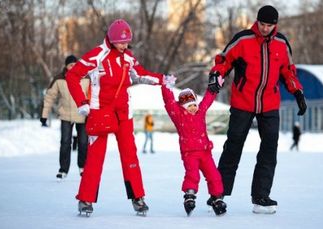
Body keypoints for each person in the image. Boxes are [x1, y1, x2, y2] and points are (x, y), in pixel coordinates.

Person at [207, 5, 307, 214]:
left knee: (269, 149)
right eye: (262, 24)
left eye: (269, 25)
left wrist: (297, 92)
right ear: (257, 21)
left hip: (269, 103)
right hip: (243, 102)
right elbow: (223, 61)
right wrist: (216, 76)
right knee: (233, 146)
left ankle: (261, 197)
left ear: (275, 25)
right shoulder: (242, 40)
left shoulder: (281, 43)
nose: (265, 28)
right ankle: (218, 193)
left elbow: (288, 71)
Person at [66, 19, 170, 216]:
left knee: (130, 156)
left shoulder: (128, 57)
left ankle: (138, 198)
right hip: (100, 113)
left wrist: (162, 79)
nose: (124, 46)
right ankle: (85, 199)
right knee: (95, 158)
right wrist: (82, 102)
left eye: (127, 42)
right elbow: (72, 76)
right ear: (112, 40)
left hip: (123, 114)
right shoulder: (97, 55)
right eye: (121, 42)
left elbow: (140, 75)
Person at [161, 77, 227, 216]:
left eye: (194, 105)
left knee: (214, 175)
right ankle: (189, 195)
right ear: (183, 106)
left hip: (205, 152)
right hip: (189, 153)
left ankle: (217, 198)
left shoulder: (200, 112)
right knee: (193, 175)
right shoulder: (178, 116)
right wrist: (167, 87)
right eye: (189, 105)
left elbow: (207, 101)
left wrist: (213, 89)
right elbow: (169, 103)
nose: (193, 108)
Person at [40, 55, 89, 180]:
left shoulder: (86, 78)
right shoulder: (59, 79)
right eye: (70, 64)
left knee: (83, 142)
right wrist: (44, 115)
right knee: (65, 142)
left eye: (75, 64)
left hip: (83, 115)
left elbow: (93, 94)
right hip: (65, 115)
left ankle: (82, 167)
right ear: (66, 66)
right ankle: (63, 169)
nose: (73, 66)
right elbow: (50, 96)